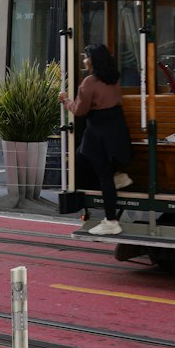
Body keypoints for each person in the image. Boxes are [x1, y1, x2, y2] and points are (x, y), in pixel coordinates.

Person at [59, 44, 133, 237]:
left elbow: (79, 110)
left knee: (97, 171)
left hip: (98, 130)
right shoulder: (113, 78)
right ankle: (117, 176)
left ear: (92, 60)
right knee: (86, 158)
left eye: (85, 57)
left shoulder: (89, 82)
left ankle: (111, 220)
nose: (83, 60)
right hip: (116, 126)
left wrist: (65, 100)